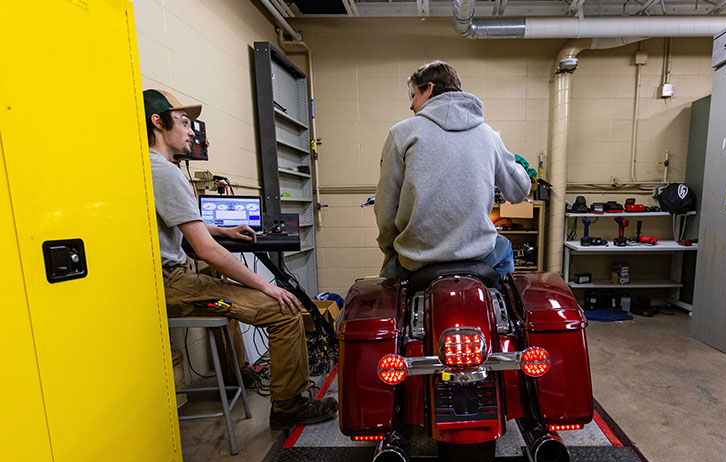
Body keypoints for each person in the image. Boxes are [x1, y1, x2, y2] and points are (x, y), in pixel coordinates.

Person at [143, 89, 337, 430]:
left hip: (163, 278)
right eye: (185, 123)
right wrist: (268, 286)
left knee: (225, 305)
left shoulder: (149, 168)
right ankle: (289, 405)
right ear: (158, 122)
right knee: (285, 310)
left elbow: (186, 228)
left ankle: (240, 375)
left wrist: (224, 231)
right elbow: (205, 251)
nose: (192, 132)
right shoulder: (165, 171)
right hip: (172, 283)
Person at [375, 60, 531, 280]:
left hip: (417, 260)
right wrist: (514, 164)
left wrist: (389, 250)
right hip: (478, 257)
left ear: (429, 89)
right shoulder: (489, 135)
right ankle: (500, 310)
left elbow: (385, 210)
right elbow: (520, 191)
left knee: (386, 292)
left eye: (413, 96)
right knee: (504, 249)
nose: (412, 105)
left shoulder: (401, 134)